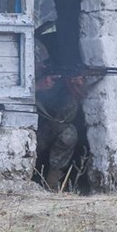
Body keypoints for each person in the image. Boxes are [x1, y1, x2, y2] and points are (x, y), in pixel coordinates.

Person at [34, 29, 87, 191]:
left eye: (45, 62)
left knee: (69, 134)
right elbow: (8, 91)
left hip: (46, 132)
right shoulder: (15, 74)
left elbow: (70, 110)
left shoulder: (51, 77)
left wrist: (74, 86)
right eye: (39, 61)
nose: (43, 65)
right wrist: (37, 87)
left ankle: (52, 184)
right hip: (28, 136)